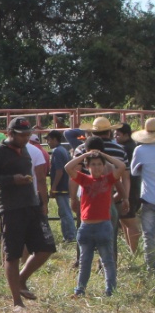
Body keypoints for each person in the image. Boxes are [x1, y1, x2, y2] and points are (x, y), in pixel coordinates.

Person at [0, 117, 56, 307]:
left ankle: (21, 279)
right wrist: (12, 179)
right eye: (22, 135)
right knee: (12, 254)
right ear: (10, 133)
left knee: (46, 247)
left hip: (31, 205)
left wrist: (41, 200)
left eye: (28, 135)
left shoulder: (26, 151)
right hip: (9, 209)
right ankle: (16, 301)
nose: (25, 138)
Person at [65, 148, 127, 296]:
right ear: (88, 166)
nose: (97, 167)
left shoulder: (108, 179)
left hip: (103, 225)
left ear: (104, 166)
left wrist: (104, 155)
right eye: (93, 164)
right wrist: (85, 155)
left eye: (100, 164)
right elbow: (68, 167)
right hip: (86, 225)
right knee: (84, 261)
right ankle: (80, 290)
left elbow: (122, 166)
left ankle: (110, 290)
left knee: (107, 260)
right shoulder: (84, 179)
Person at [130, 117, 155, 271]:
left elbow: (133, 171)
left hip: (148, 198)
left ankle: (151, 267)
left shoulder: (140, 150)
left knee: (149, 235)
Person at [115, 122, 142, 253]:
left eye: (118, 134)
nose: (116, 136)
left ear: (126, 134)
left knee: (129, 220)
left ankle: (135, 252)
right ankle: (131, 250)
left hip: (129, 187)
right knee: (125, 219)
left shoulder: (125, 149)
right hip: (132, 186)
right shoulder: (131, 146)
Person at [46, 130, 77, 243]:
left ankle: (71, 235)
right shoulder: (62, 150)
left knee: (65, 211)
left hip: (61, 186)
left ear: (55, 139)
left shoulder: (57, 152)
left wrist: (53, 187)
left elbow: (59, 171)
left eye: (49, 139)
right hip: (64, 184)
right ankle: (68, 235)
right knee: (64, 211)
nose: (48, 142)